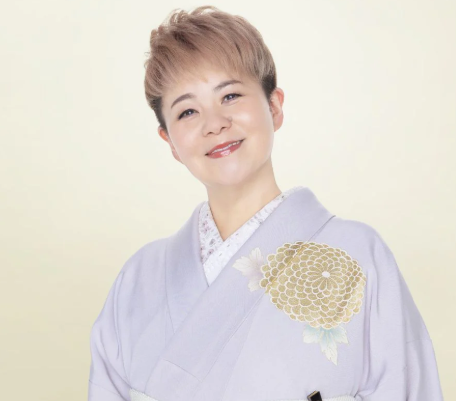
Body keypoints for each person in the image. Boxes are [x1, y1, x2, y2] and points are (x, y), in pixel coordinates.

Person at [88, 5, 444, 401]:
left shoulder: (360, 256)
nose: (214, 123)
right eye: (187, 111)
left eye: (230, 95)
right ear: (169, 141)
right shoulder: (137, 281)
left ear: (274, 107)